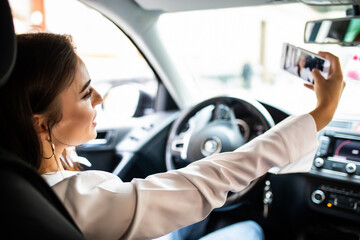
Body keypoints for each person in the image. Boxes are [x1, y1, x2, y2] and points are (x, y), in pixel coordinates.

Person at [0, 33, 345, 240]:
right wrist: (320, 114)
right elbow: (206, 182)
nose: (100, 99)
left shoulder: (36, 175)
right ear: (41, 124)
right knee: (251, 229)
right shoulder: (70, 199)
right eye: (85, 93)